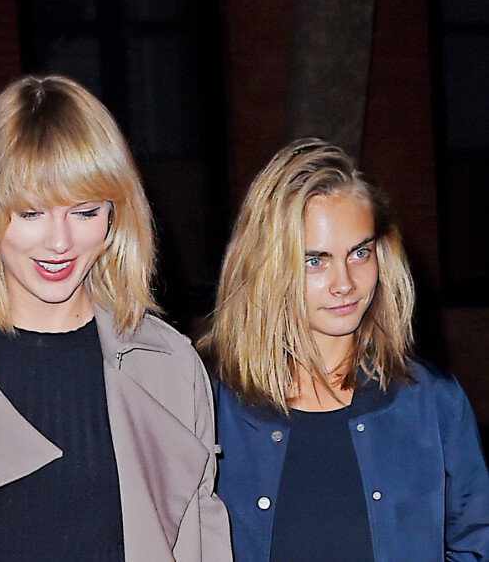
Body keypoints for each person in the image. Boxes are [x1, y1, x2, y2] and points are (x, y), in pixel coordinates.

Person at [0, 75, 232, 561]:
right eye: (31, 213)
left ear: (114, 215)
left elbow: (200, 543)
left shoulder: (167, 366)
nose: (59, 243)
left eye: (84, 212)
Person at [201, 138, 489, 561]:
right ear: (266, 265)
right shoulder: (209, 404)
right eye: (314, 260)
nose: (344, 283)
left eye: (359, 253)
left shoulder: (432, 402)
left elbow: (476, 544)